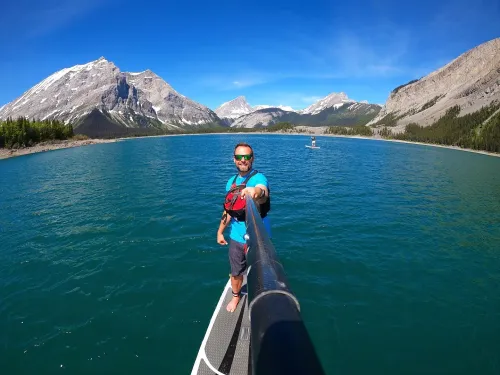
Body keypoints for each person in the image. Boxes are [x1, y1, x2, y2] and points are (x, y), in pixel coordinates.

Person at [216, 142, 270, 312]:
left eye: (247, 157)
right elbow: (228, 210)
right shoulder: (230, 182)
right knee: (236, 271)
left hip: (258, 237)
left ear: (252, 159)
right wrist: (220, 232)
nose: (243, 160)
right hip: (236, 235)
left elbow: (262, 193)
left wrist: (255, 192)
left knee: (262, 272)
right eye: (239, 157)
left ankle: (262, 300)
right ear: (234, 160)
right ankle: (236, 296)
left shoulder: (258, 178)